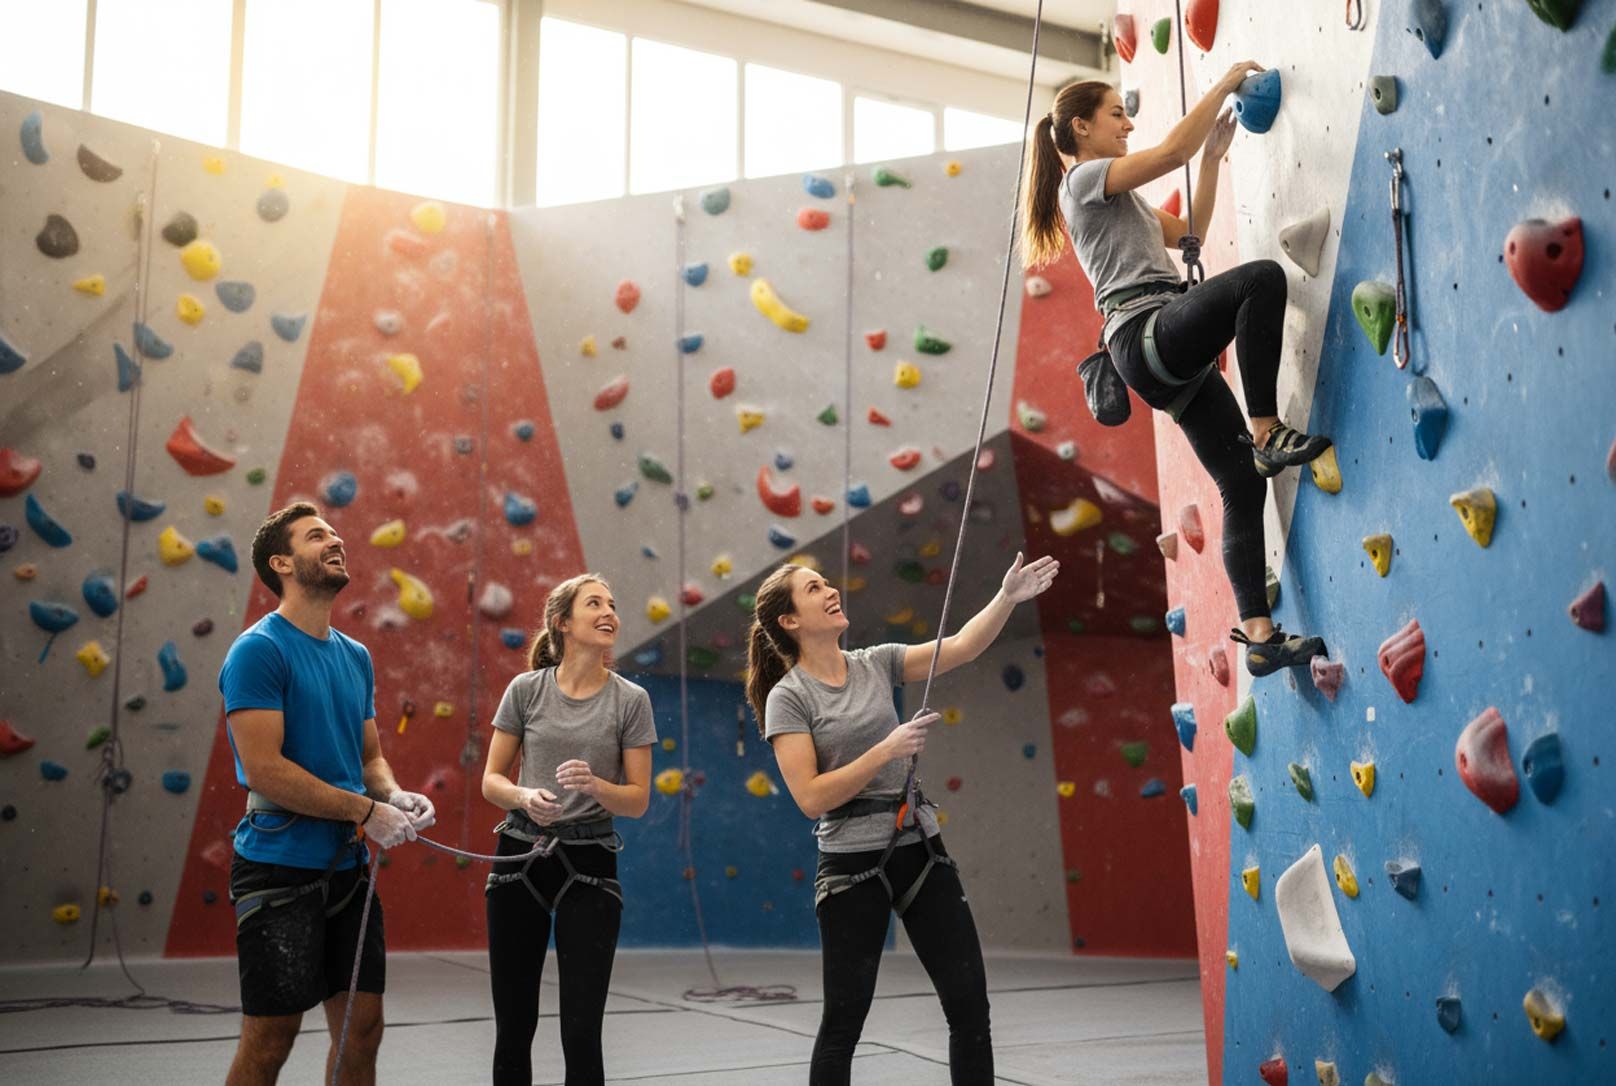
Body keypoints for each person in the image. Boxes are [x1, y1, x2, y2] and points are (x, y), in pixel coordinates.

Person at [1021, 69, 1330, 677]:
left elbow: (1190, 233)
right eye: (1116, 113)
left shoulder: (1119, 196)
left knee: (1242, 483)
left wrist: (1211, 160)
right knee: (1260, 280)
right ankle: (1267, 429)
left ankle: (1260, 637)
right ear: (1080, 127)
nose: (1127, 122)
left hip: (1161, 354)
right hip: (1145, 333)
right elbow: (1169, 153)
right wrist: (1223, 83)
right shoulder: (1082, 181)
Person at [747, 553, 1059, 1086]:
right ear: (790, 620)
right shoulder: (789, 698)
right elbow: (811, 798)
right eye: (814, 588)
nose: (831, 591)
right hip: (851, 866)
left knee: (969, 1007)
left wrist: (1006, 598)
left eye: (826, 583)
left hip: (919, 850)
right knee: (843, 1022)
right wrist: (885, 751)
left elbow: (960, 647)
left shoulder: (876, 662)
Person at [222, 502, 436, 1086]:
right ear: (282, 563)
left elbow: (368, 759)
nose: (336, 540)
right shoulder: (258, 650)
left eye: (336, 533)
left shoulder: (355, 656)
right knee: (271, 1038)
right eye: (317, 536)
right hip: (278, 868)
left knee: (363, 1029)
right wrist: (367, 810)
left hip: (347, 871)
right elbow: (265, 770)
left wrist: (395, 795)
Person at [481, 573, 655, 1086]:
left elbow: (638, 799)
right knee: (514, 1025)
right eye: (594, 604)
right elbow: (492, 780)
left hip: (590, 861)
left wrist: (597, 786)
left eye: (612, 604)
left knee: (582, 1031)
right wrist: (524, 797)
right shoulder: (526, 690)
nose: (609, 613)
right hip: (520, 856)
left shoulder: (630, 700)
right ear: (562, 622)